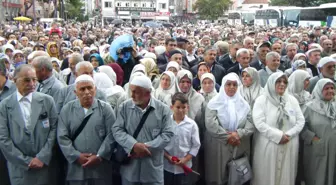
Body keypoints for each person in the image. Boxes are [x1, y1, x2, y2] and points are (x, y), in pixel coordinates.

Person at [0, 64, 58, 185]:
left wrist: (42, 157)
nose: (32, 83)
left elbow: (54, 130)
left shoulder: (47, 101)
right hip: (19, 168)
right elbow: (3, 139)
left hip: (45, 165)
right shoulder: (5, 105)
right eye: (27, 80)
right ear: (15, 80)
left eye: (34, 79)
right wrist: (25, 161)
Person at [112, 75, 175, 185]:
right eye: (131, 91)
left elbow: (168, 134)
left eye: (136, 92)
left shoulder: (163, 109)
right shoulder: (124, 107)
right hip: (130, 168)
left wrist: (146, 147)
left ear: (147, 93)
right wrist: (133, 145)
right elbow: (117, 130)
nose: (132, 95)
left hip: (152, 170)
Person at [57, 74, 116, 185]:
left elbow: (112, 135)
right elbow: (62, 137)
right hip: (77, 167)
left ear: (95, 90)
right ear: (75, 93)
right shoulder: (67, 110)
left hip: (100, 167)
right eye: (82, 89)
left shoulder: (106, 109)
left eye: (90, 88)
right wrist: (76, 156)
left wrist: (99, 156)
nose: (87, 92)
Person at [252, 72, 305, 185]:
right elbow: (259, 123)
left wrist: (289, 135)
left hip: (289, 144)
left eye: (285, 82)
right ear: (271, 83)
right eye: (278, 81)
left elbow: (300, 121)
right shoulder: (262, 100)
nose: (282, 84)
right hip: (268, 145)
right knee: (266, 175)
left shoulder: (291, 100)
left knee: (286, 175)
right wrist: (278, 136)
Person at [204, 73, 254, 185]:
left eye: (235, 84)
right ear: (223, 85)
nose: (232, 87)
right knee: (219, 175)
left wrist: (239, 134)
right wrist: (228, 137)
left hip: (239, 144)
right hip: (219, 145)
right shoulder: (214, 103)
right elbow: (211, 124)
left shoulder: (244, 103)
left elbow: (251, 123)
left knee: (237, 175)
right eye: (228, 84)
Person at [301, 79, 336, 185]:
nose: (330, 91)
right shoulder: (309, 107)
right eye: (326, 88)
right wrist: (313, 138)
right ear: (319, 90)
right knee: (317, 176)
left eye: (332, 88)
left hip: (334, 148)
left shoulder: (334, 106)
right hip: (316, 149)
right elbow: (301, 126)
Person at [164, 92, 201, 185]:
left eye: (184, 107)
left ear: (187, 108)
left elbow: (196, 145)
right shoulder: (165, 123)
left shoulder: (192, 125)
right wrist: (168, 157)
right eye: (178, 107)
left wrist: (185, 159)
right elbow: (161, 143)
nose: (181, 110)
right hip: (167, 166)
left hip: (184, 167)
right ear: (171, 107)